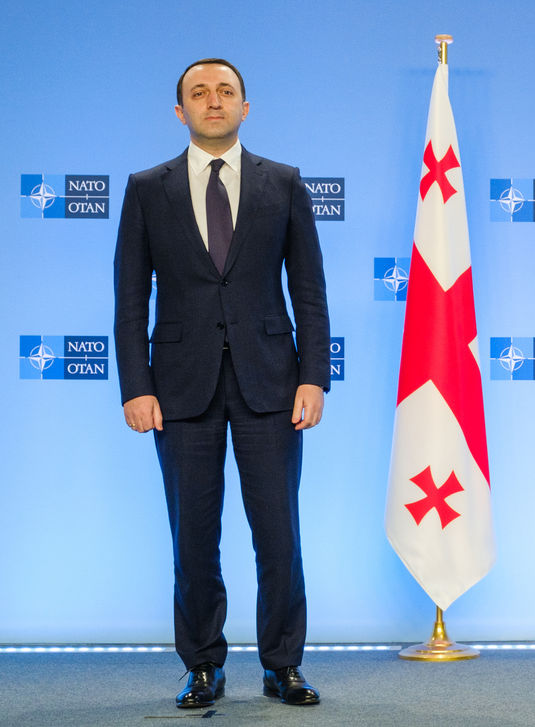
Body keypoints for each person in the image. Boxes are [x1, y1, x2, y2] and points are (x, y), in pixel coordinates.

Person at [114, 58, 330, 709]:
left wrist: (313, 376)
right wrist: (135, 384)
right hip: (179, 389)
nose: (214, 101)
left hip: (272, 384)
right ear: (180, 111)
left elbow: (310, 292)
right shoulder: (147, 188)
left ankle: (282, 664)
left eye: (226, 92)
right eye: (200, 93)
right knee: (193, 537)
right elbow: (130, 299)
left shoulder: (284, 184)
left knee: (278, 532)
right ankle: (203, 664)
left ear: (245, 106)